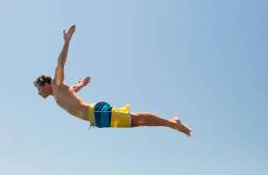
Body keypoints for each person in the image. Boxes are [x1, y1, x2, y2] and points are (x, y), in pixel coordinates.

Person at [34, 24, 191, 136]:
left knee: (136, 119)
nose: (38, 92)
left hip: (95, 113)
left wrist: (66, 42)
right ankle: (171, 123)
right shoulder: (58, 94)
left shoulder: (56, 84)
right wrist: (81, 83)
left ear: (46, 84)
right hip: (96, 119)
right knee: (136, 122)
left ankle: (172, 123)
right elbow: (72, 91)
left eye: (39, 88)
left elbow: (60, 64)